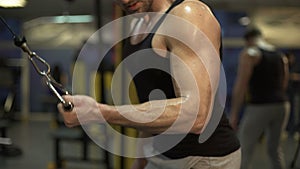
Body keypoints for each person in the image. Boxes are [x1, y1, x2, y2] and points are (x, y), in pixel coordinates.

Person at [58, 0, 241, 169]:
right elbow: (151, 103)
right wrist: (141, 160)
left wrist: (101, 112)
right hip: (160, 155)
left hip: (204, 158)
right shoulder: (136, 25)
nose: (124, 0)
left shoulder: (188, 15)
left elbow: (196, 116)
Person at [229, 28, 290, 169]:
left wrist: (234, 114)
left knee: (244, 148)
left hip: (260, 106)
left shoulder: (250, 53)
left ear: (248, 40)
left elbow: (241, 85)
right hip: (282, 105)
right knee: (274, 149)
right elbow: (284, 83)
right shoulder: (280, 55)